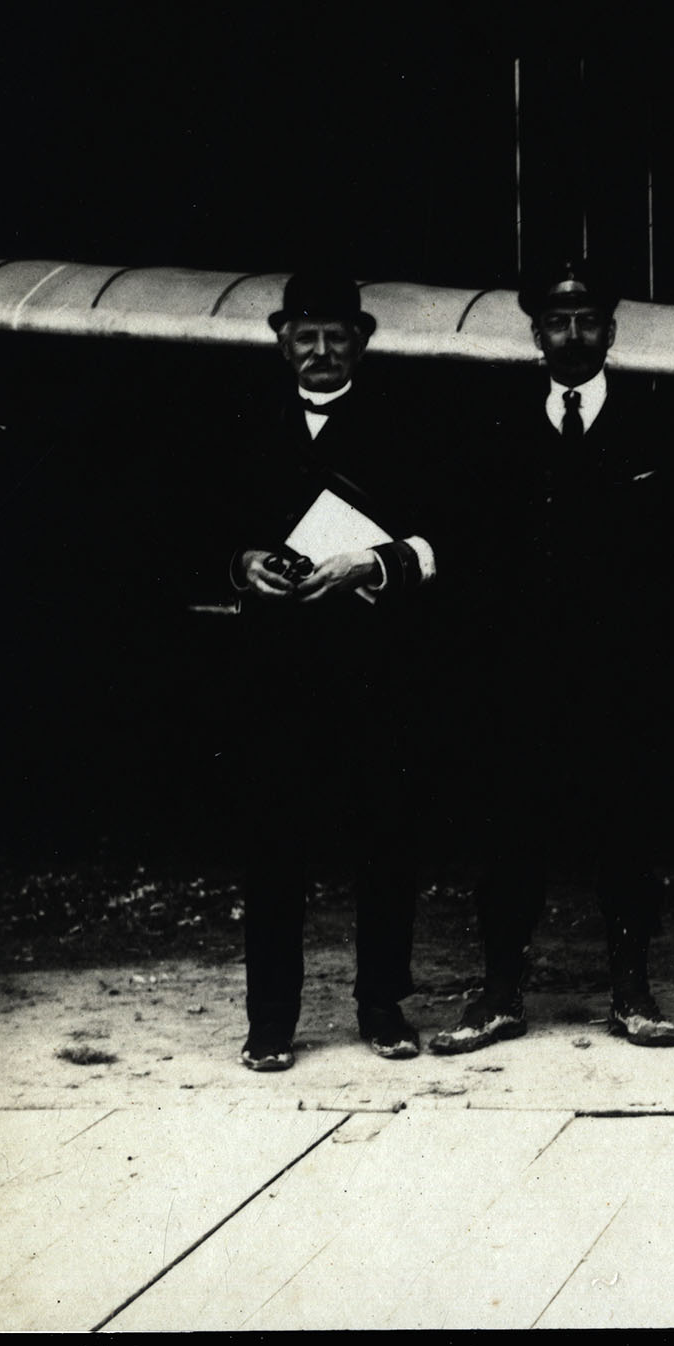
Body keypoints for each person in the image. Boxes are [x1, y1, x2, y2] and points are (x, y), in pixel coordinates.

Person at [431, 260, 674, 1059]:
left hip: (623, 678)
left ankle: (633, 991)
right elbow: (468, 554)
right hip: (520, 678)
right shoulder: (493, 423)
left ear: (610, 328)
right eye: (556, 323)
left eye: (587, 321)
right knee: (509, 840)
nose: (572, 336)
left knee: (628, 839)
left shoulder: (656, 420)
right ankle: (500, 993)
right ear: (535, 333)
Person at [211, 270, 445, 1072]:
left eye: (335, 336)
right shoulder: (242, 420)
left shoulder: (411, 423)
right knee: (274, 848)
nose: (319, 351)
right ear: (281, 341)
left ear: (362, 341)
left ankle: (382, 1009)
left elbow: (442, 541)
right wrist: (243, 563)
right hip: (276, 677)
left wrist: (368, 564)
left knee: (385, 843)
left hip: (378, 674)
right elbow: (199, 526)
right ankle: (271, 1020)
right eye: (304, 336)